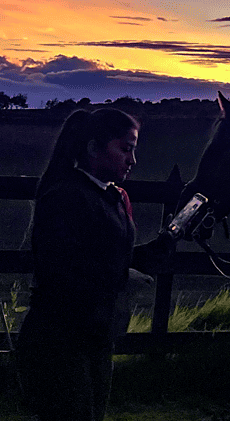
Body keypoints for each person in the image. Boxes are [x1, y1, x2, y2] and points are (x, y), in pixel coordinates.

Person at [17, 108, 141, 421]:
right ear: (93, 148)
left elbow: (112, 258)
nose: (132, 160)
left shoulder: (110, 197)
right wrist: (122, 279)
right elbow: (61, 272)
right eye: (125, 149)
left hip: (94, 337)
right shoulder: (66, 196)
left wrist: (168, 240)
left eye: (133, 150)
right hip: (60, 341)